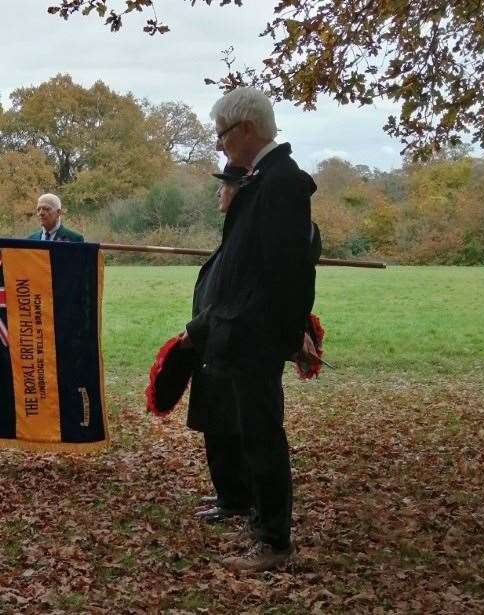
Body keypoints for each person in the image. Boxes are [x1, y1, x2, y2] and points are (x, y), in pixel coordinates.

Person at [180, 87, 318, 572]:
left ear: (246, 130)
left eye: (222, 135)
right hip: (240, 332)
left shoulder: (282, 182)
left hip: (256, 336)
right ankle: (257, 519)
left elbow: (290, 271)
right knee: (245, 432)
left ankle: (274, 542)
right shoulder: (262, 179)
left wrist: (288, 335)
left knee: (262, 436)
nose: (219, 146)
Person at [187, 164, 253, 525]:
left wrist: (194, 329)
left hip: (224, 344)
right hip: (211, 347)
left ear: (238, 192)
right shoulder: (232, 234)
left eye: (224, 187)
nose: (218, 193)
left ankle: (236, 499)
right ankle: (229, 493)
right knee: (217, 425)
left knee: (227, 426)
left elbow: (227, 299)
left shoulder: (243, 239)